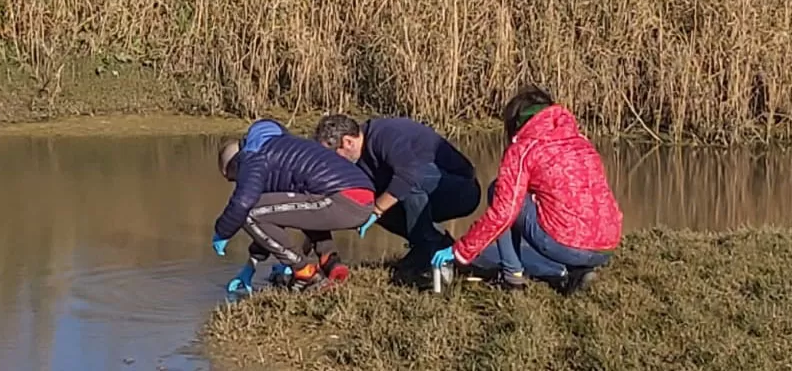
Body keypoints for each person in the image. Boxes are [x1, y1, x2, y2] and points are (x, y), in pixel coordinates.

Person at [430, 87, 623, 295]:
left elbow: (503, 214)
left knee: (499, 192)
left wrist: (460, 251)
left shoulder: (524, 149)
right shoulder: (581, 141)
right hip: (607, 246)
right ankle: (581, 271)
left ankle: (512, 277)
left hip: (568, 246)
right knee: (563, 206)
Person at [213, 118, 375, 293]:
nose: (237, 182)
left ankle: (304, 272)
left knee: (249, 213)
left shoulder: (253, 160)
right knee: (302, 209)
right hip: (361, 195)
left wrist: (222, 232)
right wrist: (250, 266)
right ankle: (330, 261)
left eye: (233, 178)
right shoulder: (275, 149)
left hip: (345, 200)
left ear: (237, 164)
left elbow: (243, 204)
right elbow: (273, 222)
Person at [313, 114, 480, 273]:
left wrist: (377, 210)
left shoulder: (385, 135)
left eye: (333, 156)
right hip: (426, 191)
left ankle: (425, 247)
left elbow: (408, 176)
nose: (333, 163)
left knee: (406, 183)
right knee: (372, 201)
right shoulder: (359, 159)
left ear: (348, 142)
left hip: (462, 190)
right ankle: (436, 243)